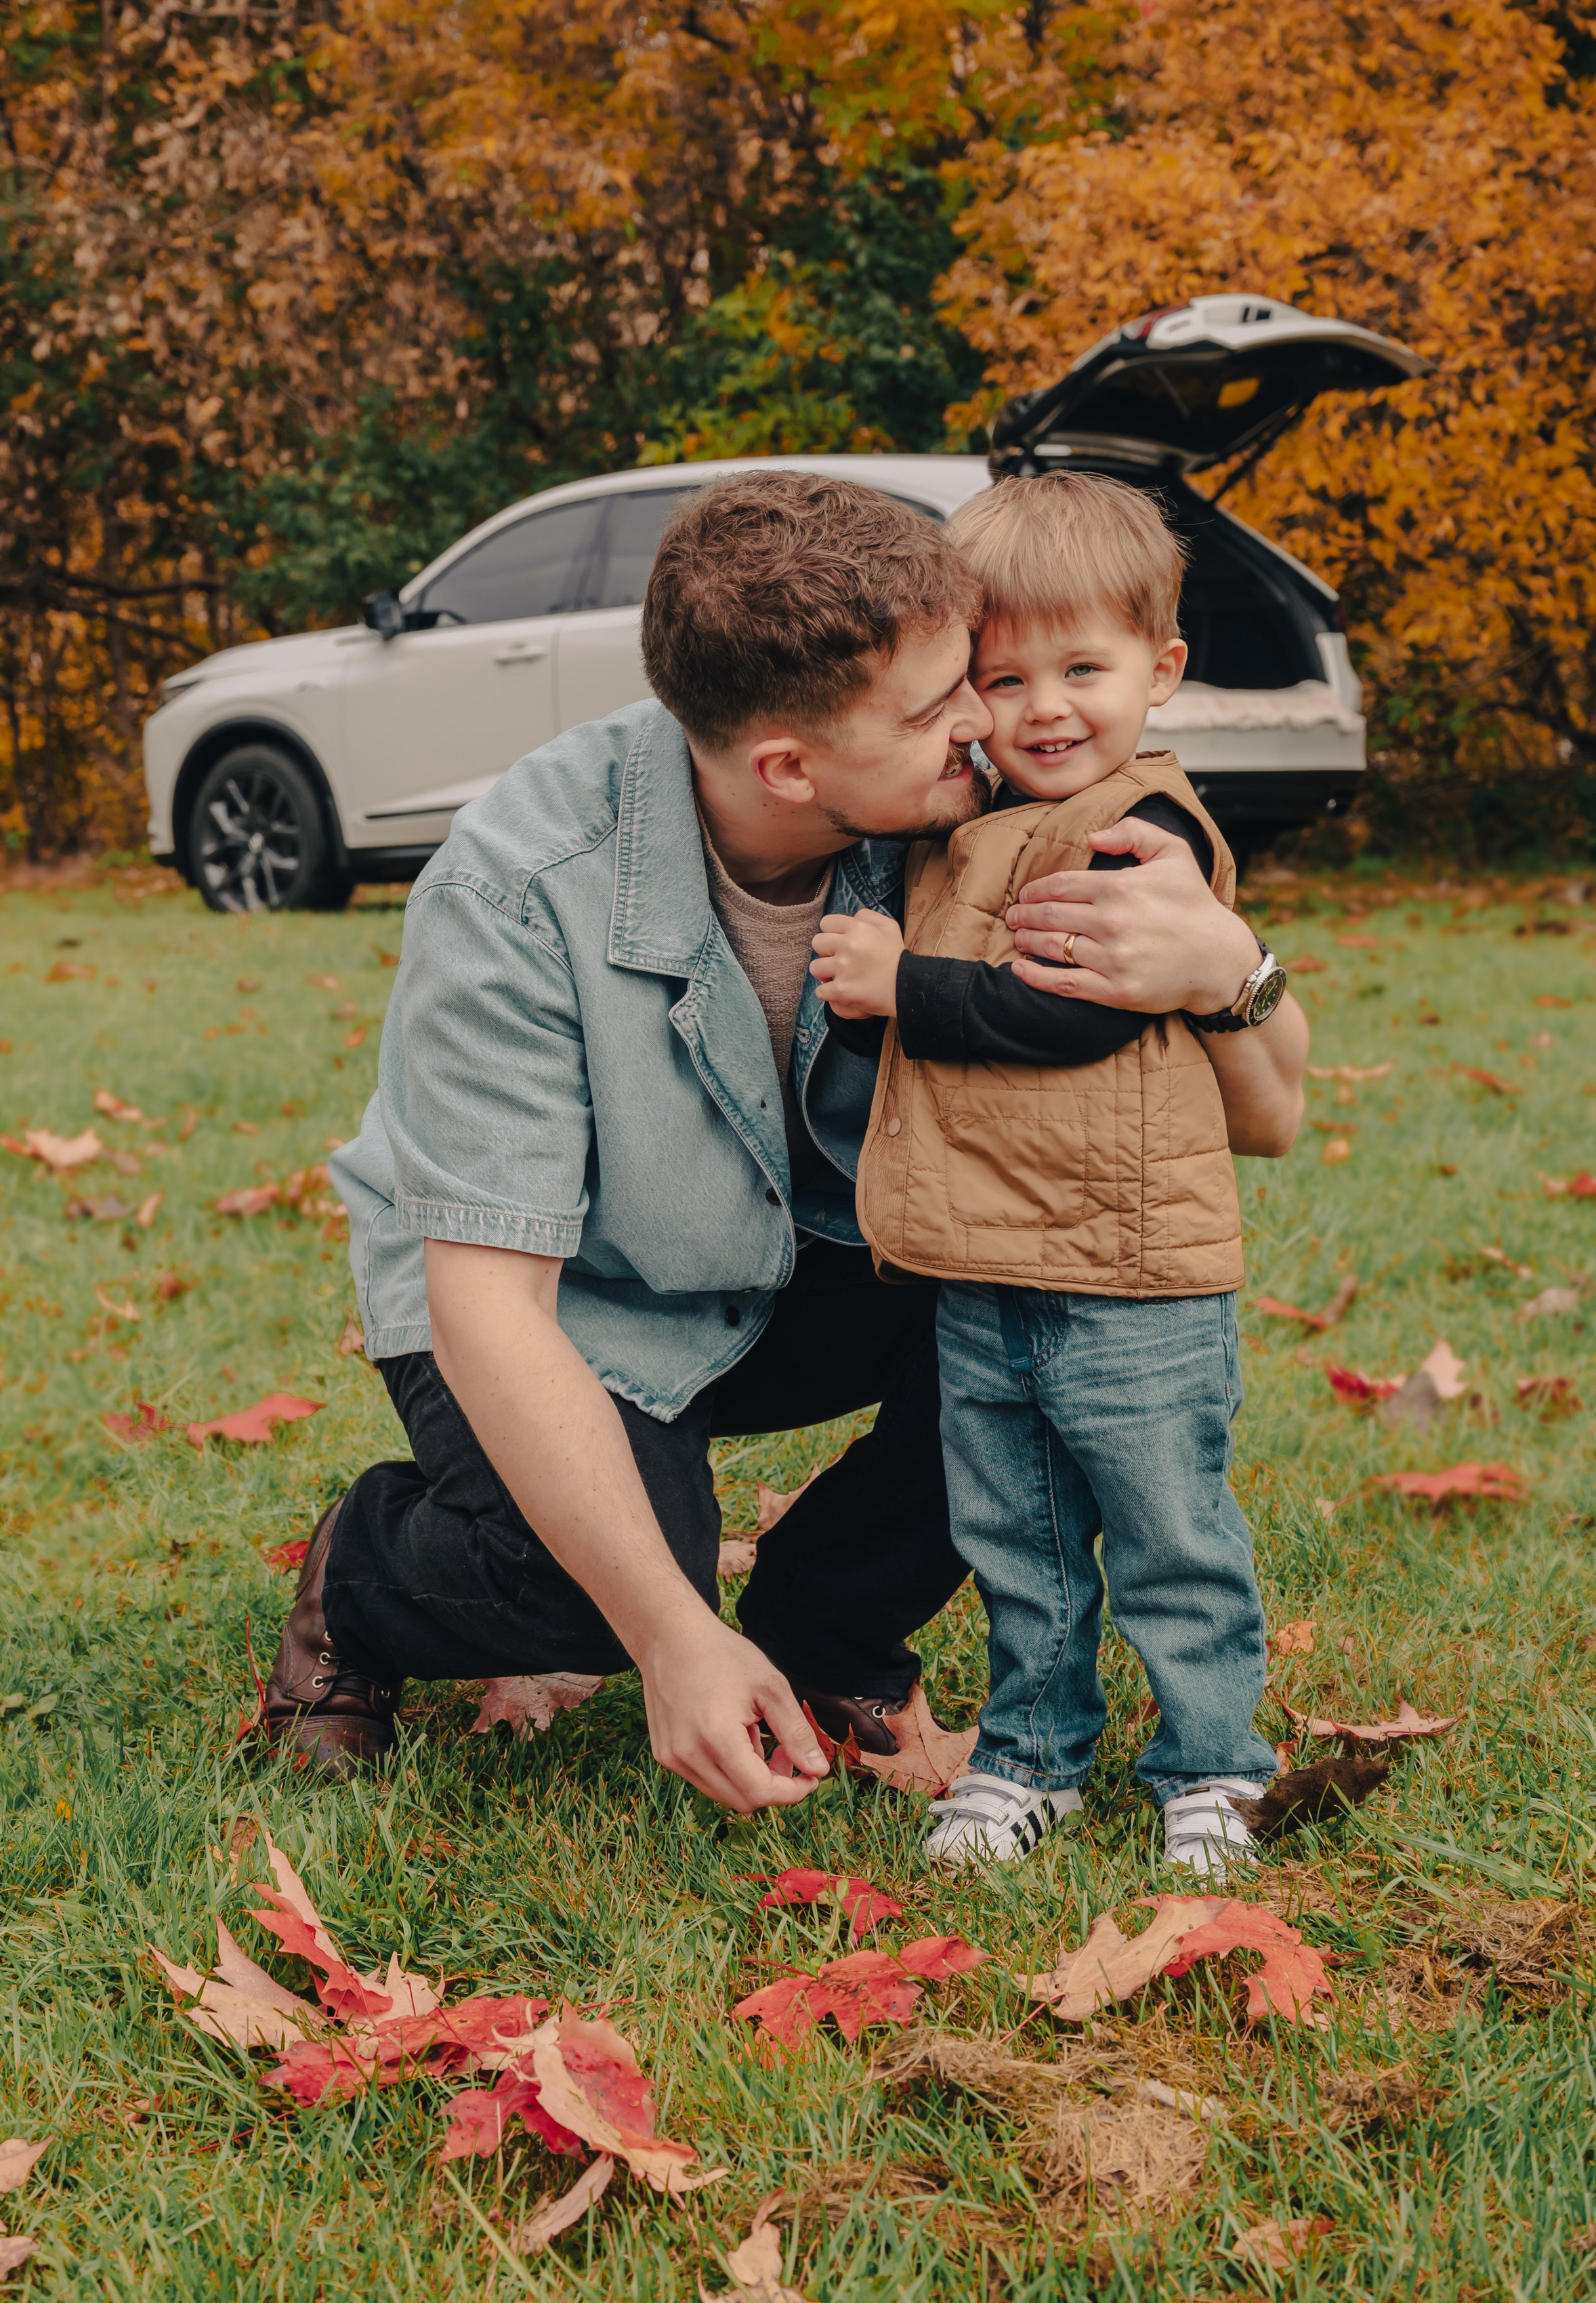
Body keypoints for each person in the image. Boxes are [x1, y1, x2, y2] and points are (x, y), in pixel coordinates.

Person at [261, 471, 1304, 1813]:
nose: (983, 724)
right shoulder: (515, 885)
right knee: (590, 1597)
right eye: (938, 707)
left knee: (1054, 1313)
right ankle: (361, 1577)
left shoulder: (982, 810)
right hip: (572, 1295)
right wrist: (665, 1632)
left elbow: (1266, 1115)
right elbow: (485, 1304)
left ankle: (822, 1629)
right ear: (788, 769)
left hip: (819, 1249)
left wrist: (1228, 960)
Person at [810, 470, 1308, 1878]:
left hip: (1128, 1277)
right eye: (1003, 673)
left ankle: (1213, 1765)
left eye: (1082, 668)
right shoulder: (968, 823)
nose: (1043, 707)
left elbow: (1064, 1011)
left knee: (1167, 1540)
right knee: (1013, 1540)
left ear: (1159, 671)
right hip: (988, 1273)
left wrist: (903, 983)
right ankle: (1031, 1754)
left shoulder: (1135, 831)